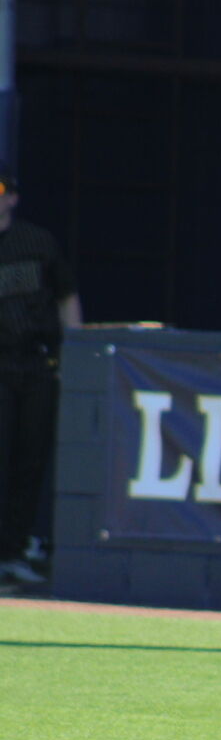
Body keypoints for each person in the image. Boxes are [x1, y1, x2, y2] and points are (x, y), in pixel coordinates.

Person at [0, 174, 80, 591]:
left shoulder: (37, 243)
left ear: (12, 196)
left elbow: (66, 295)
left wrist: (74, 354)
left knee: (29, 461)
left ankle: (12, 553)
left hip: (34, 364)